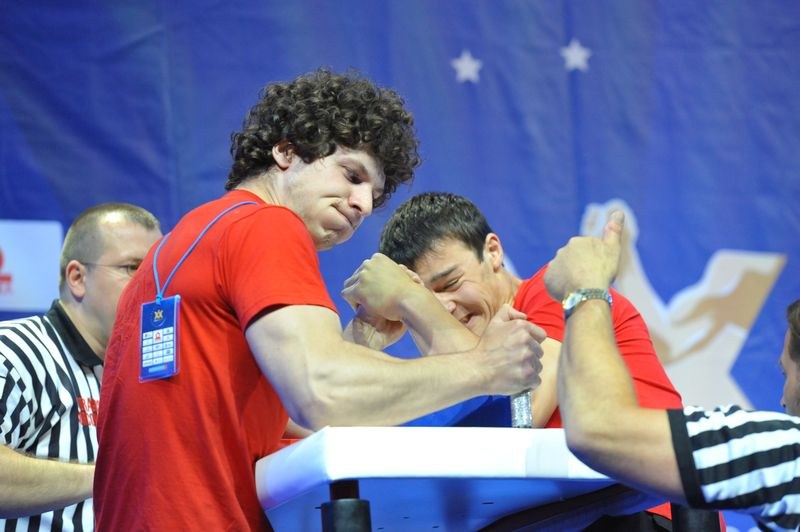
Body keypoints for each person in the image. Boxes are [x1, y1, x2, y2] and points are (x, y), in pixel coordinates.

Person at [93, 69, 545, 531]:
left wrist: (357, 345)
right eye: (352, 175)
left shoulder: (180, 244)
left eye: (374, 193)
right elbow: (324, 391)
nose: (363, 204)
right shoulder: (267, 225)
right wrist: (485, 368)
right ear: (286, 152)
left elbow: (256, 413)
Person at [342, 191, 691, 528]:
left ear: (493, 252)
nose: (443, 306)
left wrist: (412, 300)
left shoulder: (551, 291)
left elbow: (524, 412)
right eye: (428, 298)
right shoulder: (457, 364)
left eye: (450, 283)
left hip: (639, 510)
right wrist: (362, 340)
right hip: (551, 518)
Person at [543, 210, 800, 531]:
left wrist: (585, 287)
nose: (781, 399)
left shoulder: (787, 451)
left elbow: (597, 426)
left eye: (786, 374)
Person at [0, 203, 161, 531]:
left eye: (158, 272)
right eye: (132, 268)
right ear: (77, 278)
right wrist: (108, 476)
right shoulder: (15, 352)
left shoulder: (151, 373)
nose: (153, 287)